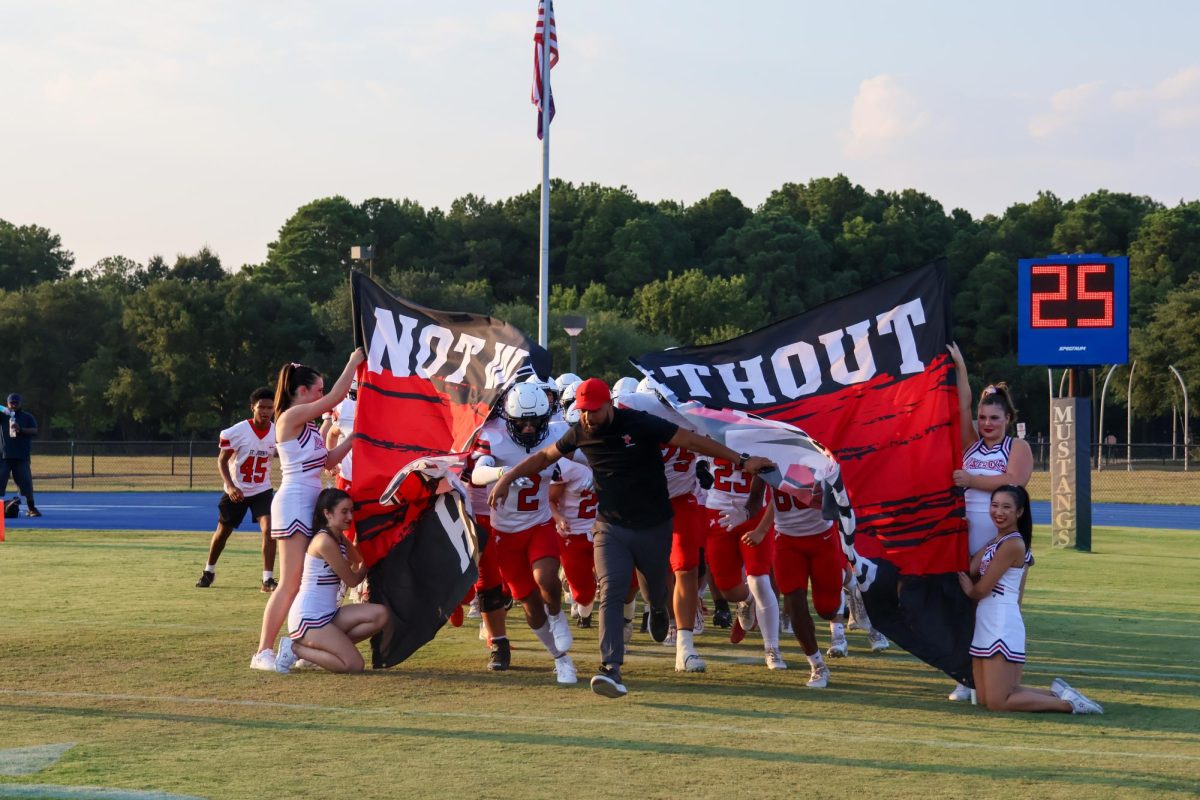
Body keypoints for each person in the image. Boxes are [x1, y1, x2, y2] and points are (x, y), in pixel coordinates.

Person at [489, 377, 775, 699]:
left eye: (593, 411)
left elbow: (693, 443)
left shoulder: (639, 423)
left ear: (609, 405)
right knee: (610, 591)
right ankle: (610, 668)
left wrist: (742, 461)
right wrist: (509, 476)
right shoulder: (581, 432)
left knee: (655, 587)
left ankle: (657, 608)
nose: (586, 417)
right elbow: (544, 457)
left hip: (654, 524)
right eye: (582, 411)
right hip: (610, 526)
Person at [250, 351, 363, 671]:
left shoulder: (309, 427)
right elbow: (337, 397)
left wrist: (356, 436)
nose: (321, 396)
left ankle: (302, 645)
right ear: (301, 392)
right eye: (317, 390)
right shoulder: (288, 418)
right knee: (290, 582)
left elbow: (327, 462)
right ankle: (263, 651)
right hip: (294, 502)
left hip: (311, 503)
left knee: (307, 580)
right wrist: (354, 364)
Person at [958, 485, 1102, 714]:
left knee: (999, 702)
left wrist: (969, 590)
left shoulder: (1012, 544)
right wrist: (962, 533)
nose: (999, 511)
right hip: (987, 619)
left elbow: (980, 590)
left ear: (1019, 512)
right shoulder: (996, 541)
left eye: (1006, 507)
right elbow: (969, 568)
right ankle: (1057, 693)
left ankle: (1069, 704)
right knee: (986, 697)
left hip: (1000, 620)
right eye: (994, 505)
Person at [469, 382, 578, 685]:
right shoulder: (494, 436)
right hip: (505, 532)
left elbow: (585, 457)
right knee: (529, 601)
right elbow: (478, 474)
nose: (529, 429)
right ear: (509, 418)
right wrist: (503, 473)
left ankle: (557, 616)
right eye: (522, 422)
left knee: (546, 580)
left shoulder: (557, 433)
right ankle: (561, 660)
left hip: (539, 524)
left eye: (535, 422)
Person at [946, 343, 1033, 701]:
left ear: (1008, 420)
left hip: (1000, 534)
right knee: (963, 603)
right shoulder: (971, 443)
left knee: (996, 601)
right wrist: (962, 367)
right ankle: (965, 677)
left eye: (994, 418)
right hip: (965, 533)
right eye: (982, 418)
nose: (986, 424)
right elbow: (962, 403)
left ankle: (1002, 670)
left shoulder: (1017, 447)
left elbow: (1015, 482)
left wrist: (972, 482)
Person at [275, 488, 388, 673]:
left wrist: (365, 537)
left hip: (328, 616)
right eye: (344, 511)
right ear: (327, 513)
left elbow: (358, 558)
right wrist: (369, 561)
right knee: (354, 665)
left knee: (381, 614)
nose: (350, 516)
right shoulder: (324, 541)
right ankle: (296, 649)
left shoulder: (338, 537)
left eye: (352, 511)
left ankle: (319, 650)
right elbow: (352, 579)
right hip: (309, 619)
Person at [197, 387, 278, 591]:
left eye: (270, 407)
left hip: (262, 489)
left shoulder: (278, 432)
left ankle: (267, 579)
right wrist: (231, 486)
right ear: (253, 408)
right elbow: (222, 461)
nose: (266, 411)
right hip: (238, 489)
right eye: (262, 407)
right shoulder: (237, 431)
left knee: (269, 530)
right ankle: (209, 571)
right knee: (222, 533)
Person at [704, 464, 784, 670]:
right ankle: (747, 600)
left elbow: (775, 484)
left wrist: (756, 521)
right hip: (718, 513)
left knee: (759, 579)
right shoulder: (711, 433)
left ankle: (772, 648)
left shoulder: (761, 436)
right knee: (729, 591)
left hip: (755, 516)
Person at [1, 393, 41, 517]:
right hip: (3, 457)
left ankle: (32, 508)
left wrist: (21, 429)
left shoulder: (27, 417)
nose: (13, 404)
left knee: (26, 483)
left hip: (21, 457)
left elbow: (34, 430)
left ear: (20, 403)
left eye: (16, 402)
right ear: (7, 403)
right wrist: (3, 410)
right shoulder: (2, 416)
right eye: (11, 402)